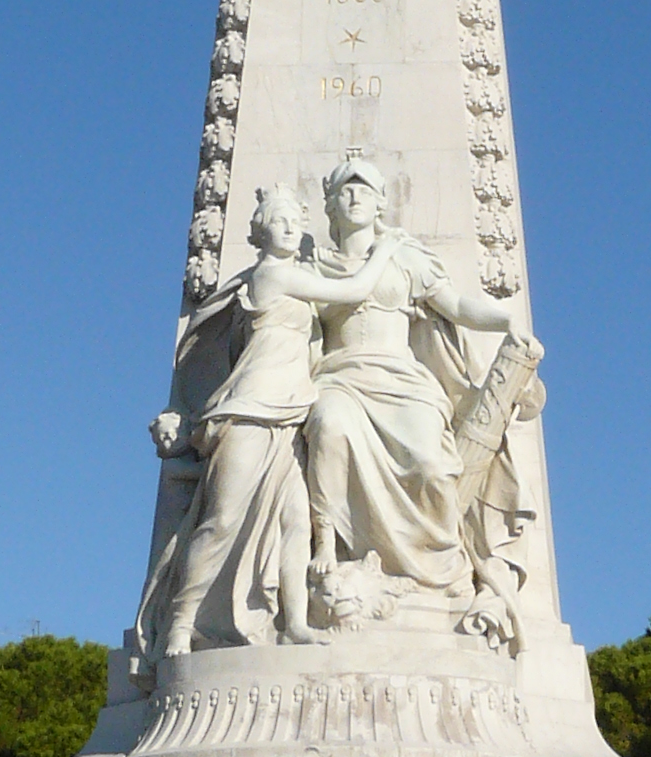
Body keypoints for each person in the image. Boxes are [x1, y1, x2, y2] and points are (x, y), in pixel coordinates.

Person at [136, 187, 396, 658]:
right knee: (220, 521)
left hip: (292, 416)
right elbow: (354, 290)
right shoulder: (272, 275)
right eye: (278, 221)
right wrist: (385, 250)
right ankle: (180, 623)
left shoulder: (294, 279)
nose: (290, 228)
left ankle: (294, 622)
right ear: (259, 234)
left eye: (295, 221)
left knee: (295, 523)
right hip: (250, 412)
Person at [302, 157, 522, 605]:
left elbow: (456, 306)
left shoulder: (406, 258)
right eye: (345, 190)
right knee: (328, 425)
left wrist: (505, 321)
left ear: (381, 203)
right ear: (330, 204)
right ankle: (326, 542)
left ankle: (442, 569)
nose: (355, 197)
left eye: (365, 190)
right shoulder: (315, 268)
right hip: (341, 378)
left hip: (402, 380)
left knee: (432, 467)